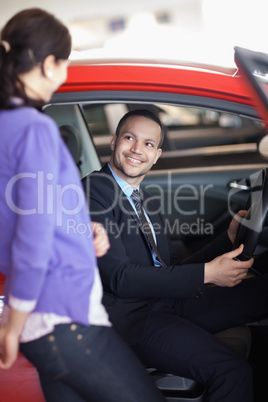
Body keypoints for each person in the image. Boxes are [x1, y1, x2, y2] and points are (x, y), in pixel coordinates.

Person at [0, 10, 166, 402]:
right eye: (65, 63)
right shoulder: (35, 127)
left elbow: (24, 216)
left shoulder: (7, 126)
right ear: (49, 64)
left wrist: (79, 233)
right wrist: (14, 320)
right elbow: (33, 234)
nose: (65, 74)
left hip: (45, 324)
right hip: (62, 317)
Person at [83, 108, 268, 402]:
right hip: (133, 321)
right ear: (114, 140)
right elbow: (120, 278)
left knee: (262, 292)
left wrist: (227, 241)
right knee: (233, 371)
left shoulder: (144, 198)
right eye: (129, 138)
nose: (136, 150)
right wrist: (208, 274)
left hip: (166, 300)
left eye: (147, 144)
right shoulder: (94, 192)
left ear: (157, 154)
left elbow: (171, 267)